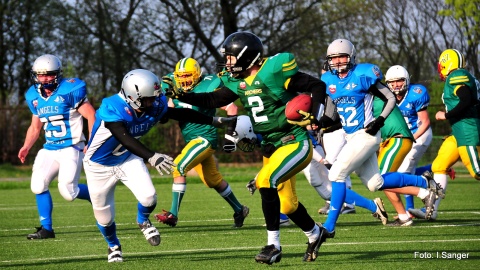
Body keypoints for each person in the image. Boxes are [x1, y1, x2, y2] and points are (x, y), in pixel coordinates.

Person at [165, 31, 328, 264]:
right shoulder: (238, 82)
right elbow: (213, 100)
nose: (227, 62)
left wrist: (316, 115)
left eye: (231, 57)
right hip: (271, 145)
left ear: (246, 57)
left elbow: (316, 85)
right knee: (287, 203)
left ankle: (273, 246)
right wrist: (184, 95)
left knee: (265, 182)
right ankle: (315, 233)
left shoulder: (273, 71)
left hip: (294, 140)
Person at [298, 39, 442, 253]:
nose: (337, 62)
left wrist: (380, 120)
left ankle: (328, 226)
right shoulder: (328, 80)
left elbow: (389, 98)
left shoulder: (363, 74)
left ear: (351, 57)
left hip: (366, 134)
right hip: (351, 136)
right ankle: (424, 181)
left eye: (342, 57)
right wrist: (318, 123)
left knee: (336, 174)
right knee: (375, 183)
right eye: (333, 58)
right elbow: (331, 114)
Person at [83, 69, 235, 262]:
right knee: (104, 217)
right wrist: (152, 156)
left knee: (149, 198)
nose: (153, 103)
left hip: (128, 158)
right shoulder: (113, 106)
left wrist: (214, 121)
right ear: (132, 96)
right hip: (99, 165)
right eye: (148, 99)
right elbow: (124, 137)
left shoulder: (153, 104)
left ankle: (143, 221)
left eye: (155, 98)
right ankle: (113, 246)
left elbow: (179, 113)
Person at [154, 57, 249, 228]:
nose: (183, 80)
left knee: (179, 167)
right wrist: (161, 114)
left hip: (206, 138)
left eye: (187, 76)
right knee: (212, 180)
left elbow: (232, 108)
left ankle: (173, 214)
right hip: (192, 140)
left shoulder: (208, 85)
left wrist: (230, 134)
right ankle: (239, 209)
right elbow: (169, 109)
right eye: (180, 77)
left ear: (197, 74)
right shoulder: (173, 87)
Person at [18, 54, 95, 240]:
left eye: (48, 74)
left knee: (69, 192)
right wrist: (26, 146)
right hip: (50, 148)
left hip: (72, 147)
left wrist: (92, 142)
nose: (43, 78)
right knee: (37, 185)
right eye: (40, 75)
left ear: (57, 74)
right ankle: (47, 229)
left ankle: (98, 195)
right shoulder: (33, 96)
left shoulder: (70, 89)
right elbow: (35, 127)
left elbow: (92, 116)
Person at [409, 49, 480, 220]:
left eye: (442, 64)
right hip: (458, 133)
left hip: (468, 132)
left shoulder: (458, 75)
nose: (440, 68)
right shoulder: (461, 75)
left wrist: (446, 115)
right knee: (439, 165)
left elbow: (466, 99)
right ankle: (431, 210)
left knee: (477, 172)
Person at [385, 65, 433, 213]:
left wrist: (412, 138)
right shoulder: (387, 96)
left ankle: (409, 209)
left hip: (420, 133)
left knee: (403, 172)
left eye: (399, 80)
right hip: (405, 136)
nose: (395, 85)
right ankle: (432, 170)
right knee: (403, 171)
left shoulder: (416, 93)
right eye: (392, 82)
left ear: (406, 80)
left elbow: (425, 122)